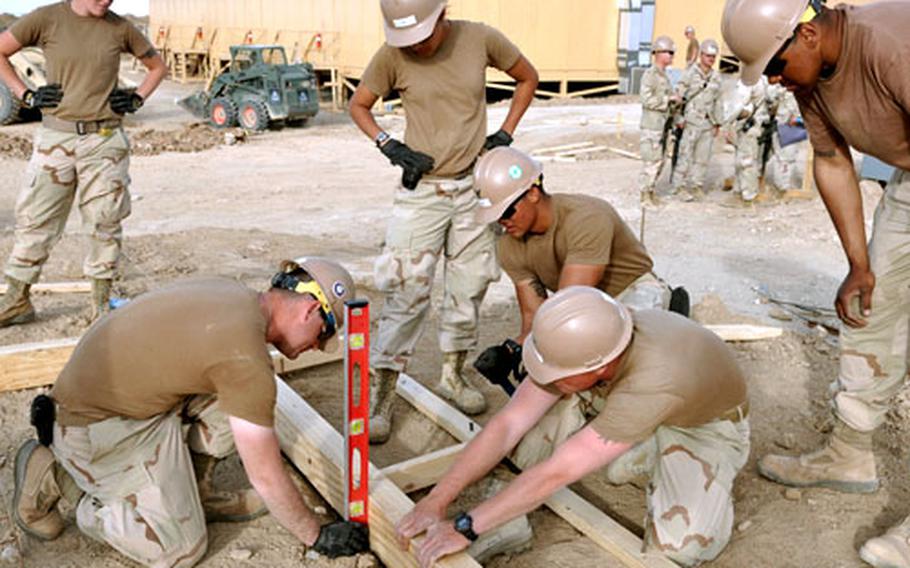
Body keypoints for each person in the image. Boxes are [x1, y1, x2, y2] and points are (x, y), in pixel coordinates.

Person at [12, 258, 370, 567]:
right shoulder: (243, 355)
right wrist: (316, 534)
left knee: (247, 408)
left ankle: (194, 495)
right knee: (180, 550)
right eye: (323, 333)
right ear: (309, 310)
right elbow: (265, 475)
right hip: (94, 428)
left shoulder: (233, 296)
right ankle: (60, 478)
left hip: (122, 400)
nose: (316, 347)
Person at [723, 0, 910, 565]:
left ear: (806, 34)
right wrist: (859, 263)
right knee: (870, 310)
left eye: (776, 66)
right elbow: (830, 160)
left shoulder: (889, 45)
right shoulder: (810, 72)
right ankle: (850, 454)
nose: (775, 81)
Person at [396, 286, 750, 567]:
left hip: (702, 426)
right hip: (628, 399)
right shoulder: (591, 341)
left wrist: (466, 526)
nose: (547, 378)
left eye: (558, 373)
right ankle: (510, 521)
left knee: (683, 547)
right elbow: (508, 425)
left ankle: (659, 451)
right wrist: (437, 499)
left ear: (600, 367)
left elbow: (558, 471)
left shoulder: (655, 377)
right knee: (534, 430)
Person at [348, 0, 539, 443]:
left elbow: (527, 77)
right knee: (406, 289)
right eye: (406, 41)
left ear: (443, 15)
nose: (415, 46)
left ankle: (451, 375)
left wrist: (505, 134)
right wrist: (389, 145)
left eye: (422, 37)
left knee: (468, 286)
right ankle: (383, 395)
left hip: (474, 189)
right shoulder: (392, 56)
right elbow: (360, 105)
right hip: (423, 193)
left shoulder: (480, 38)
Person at [0, 0, 167, 326]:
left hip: (104, 142)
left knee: (105, 222)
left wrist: (137, 97)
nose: (108, 0)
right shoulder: (46, 19)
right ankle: (17, 300)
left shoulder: (121, 28)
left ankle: (100, 306)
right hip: (55, 140)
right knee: (35, 220)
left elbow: (157, 67)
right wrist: (26, 94)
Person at [471, 147, 675, 391]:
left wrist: (541, 351)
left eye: (506, 211)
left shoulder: (586, 218)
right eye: (495, 217)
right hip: (582, 304)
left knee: (620, 367)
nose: (503, 222)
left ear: (533, 193)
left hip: (633, 289)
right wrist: (513, 350)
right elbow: (533, 316)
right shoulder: (509, 245)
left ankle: (668, 318)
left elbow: (571, 304)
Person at [672, 39, 724, 200]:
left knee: (702, 158)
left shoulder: (716, 77)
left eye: (713, 57)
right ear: (701, 55)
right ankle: (678, 187)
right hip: (691, 122)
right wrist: (678, 118)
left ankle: (696, 186)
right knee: (685, 156)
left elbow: (718, 101)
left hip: (707, 123)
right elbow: (678, 97)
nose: (711, 59)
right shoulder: (690, 73)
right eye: (708, 56)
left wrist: (717, 122)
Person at [638, 35, 680, 207]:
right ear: (658, 53)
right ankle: (644, 195)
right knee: (651, 161)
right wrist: (668, 99)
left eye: (672, 52)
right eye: (668, 52)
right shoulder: (650, 75)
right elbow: (646, 99)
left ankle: (651, 191)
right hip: (652, 126)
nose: (671, 56)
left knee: (660, 160)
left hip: (662, 126)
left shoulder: (664, 76)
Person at [729, 77, 769, 206]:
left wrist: (730, 119)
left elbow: (738, 106)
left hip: (749, 127)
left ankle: (747, 196)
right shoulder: (762, 79)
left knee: (746, 161)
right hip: (752, 126)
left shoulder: (751, 80)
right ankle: (742, 192)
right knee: (744, 160)